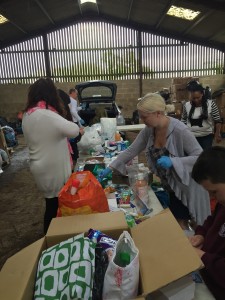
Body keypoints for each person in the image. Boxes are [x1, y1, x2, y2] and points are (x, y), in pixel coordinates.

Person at [100, 93, 211, 226]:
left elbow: (201, 157)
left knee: (186, 225)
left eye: (144, 117)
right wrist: (111, 167)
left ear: (158, 113)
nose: (142, 120)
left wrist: (174, 162)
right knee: (178, 222)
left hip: (185, 185)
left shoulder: (180, 131)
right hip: (169, 185)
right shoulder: (149, 130)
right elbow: (131, 150)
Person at [22, 78, 80, 234]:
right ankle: (51, 238)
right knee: (55, 205)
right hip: (52, 168)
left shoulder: (29, 114)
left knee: (51, 203)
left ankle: (51, 236)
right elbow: (73, 130)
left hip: (39, 165)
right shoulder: (45, 114)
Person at [190, 146, 225, 299]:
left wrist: (202, 256)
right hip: (207, 271)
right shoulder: (223, 203)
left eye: (214, 191)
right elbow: (211, 221)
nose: (211, 197)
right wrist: (201, 234)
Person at [181, 80, 222, 149]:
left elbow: (217, 120)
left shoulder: (210, 104)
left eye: (198, 97)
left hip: (206, 137)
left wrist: (217, 133)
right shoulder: (186, 105)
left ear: (202, 94)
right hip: (191, 137)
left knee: (205, 157)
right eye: (194, 98)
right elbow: (183, 121)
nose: (196, 100)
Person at [58, 89, 84, 163]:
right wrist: (79, 133)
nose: (76, 96)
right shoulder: (60, 118)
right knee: (73, 144)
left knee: (73, 144)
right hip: (61, 158)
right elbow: (72, 111)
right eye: (76, 94)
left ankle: (75, 158)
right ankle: (75, 158)